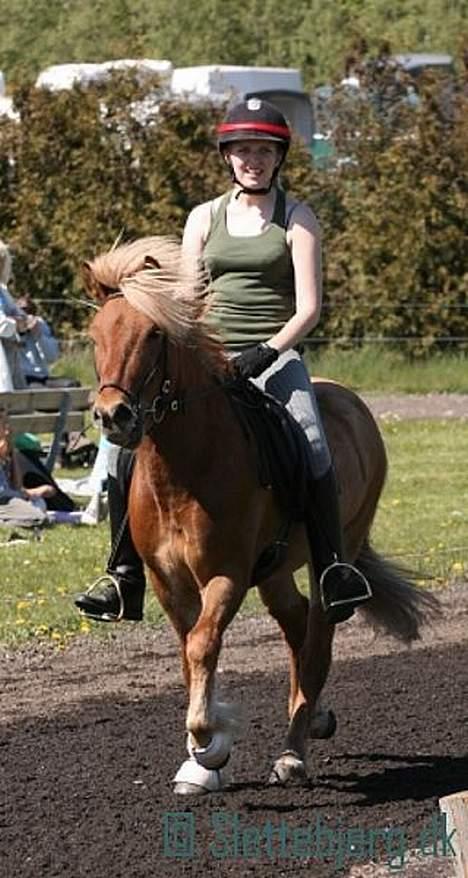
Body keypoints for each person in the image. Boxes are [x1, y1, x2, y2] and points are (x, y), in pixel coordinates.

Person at [75, 99, 371, 625]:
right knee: (127, 448)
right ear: (228, 157)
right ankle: (123, 574)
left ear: (278, 157)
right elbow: (187, 298)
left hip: (275, 356)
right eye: (242, 150)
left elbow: (309, 308)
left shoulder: (296, 218)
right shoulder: (203, 217)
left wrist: (266, 352)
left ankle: (331, 568)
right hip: (210, 358)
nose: (252, 159)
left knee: (313, 440)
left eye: (263, 150)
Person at [15, 294, 60, 386]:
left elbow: (52, 357)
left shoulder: (40, 325)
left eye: (27, 310)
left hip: (41, 376)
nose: (24, 314)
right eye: (20, 310)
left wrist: (38, 335)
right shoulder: (8, 328)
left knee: (72, 386)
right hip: (20, 377)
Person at [0, 240, 27, 391]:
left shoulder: (2, 291)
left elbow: (20, 315)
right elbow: (2, 325)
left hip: (11, 355)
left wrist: (20, 321)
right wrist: (16, 324)